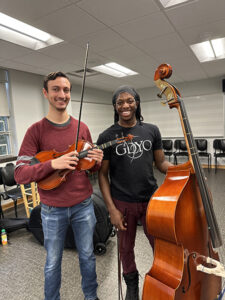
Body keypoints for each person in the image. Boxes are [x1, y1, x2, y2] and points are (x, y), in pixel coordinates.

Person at [14, 71, 103, 300]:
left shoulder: (82, 127)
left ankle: (91, 297)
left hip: (84, 205)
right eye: (56, 89)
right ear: (46, 93)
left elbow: (88, 168)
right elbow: (20, 174)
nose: (61, 94)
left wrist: (96, 162)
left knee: (87, 256)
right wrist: (54, 163)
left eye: (66, 90)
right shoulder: (35, 131)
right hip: (52, 210)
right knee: (53, 262)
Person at [97, 86, 172, 300]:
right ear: (115, 107)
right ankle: (131, 283)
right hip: (122, 202)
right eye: (120, 102)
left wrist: (182, 169)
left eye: (129, 101)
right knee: (125, 248)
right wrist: (111, 209)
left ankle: (162, 278)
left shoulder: (151, 130)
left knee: (160, 244)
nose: (125, 105)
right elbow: (102, 175)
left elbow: (161, 163)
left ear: (137, 103)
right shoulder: (107, 136)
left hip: (151, 200)